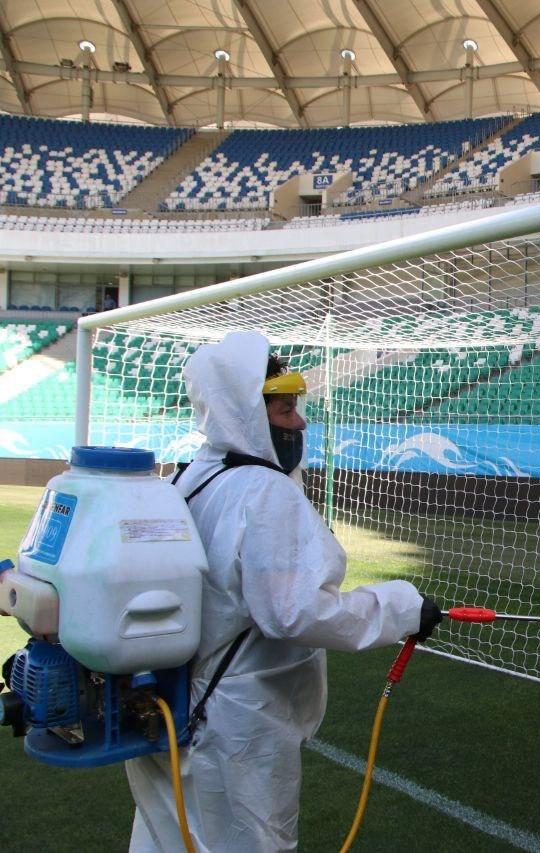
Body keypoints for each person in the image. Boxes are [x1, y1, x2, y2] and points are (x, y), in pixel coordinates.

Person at [125, 330, 442, 852]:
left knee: (167, 837)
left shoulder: (191, 479)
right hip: (234, 726)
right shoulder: (262, 491)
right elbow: (296, 613)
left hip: (169, 706)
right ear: (245, 413)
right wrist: (400, 608)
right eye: (285, 410)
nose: (299, 422)